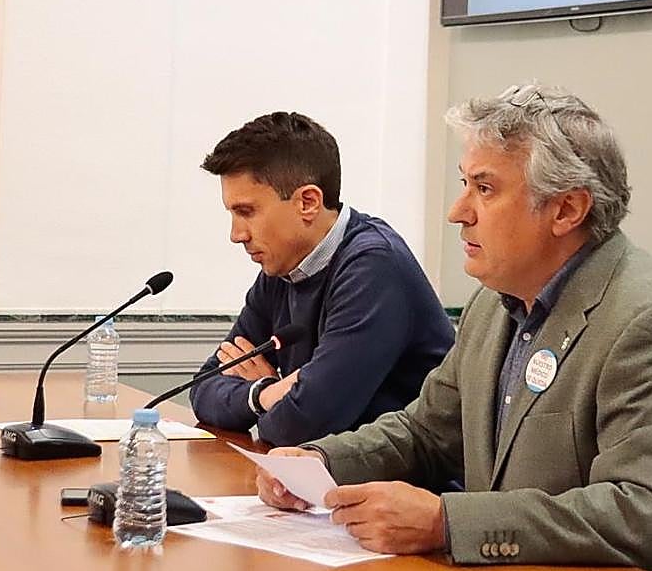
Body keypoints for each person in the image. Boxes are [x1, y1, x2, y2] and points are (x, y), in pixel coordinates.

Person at [256, 85, 652, 571]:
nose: (457, 211)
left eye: (484, 189)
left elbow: (643, 515)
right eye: (464, 184)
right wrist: (319, 461)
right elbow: (426, 432)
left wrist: (447, 522)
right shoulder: (494, 302)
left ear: (567, 210)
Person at [189, 111, 455, 447]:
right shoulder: (282, 267)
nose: (236, 234)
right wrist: (266, 393)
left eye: (246, 212)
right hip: (324, 479)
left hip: (407, 488)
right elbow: (203, 388)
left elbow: (301, 427)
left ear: (308, 202)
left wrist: (276, 400)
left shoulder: (374, 265)